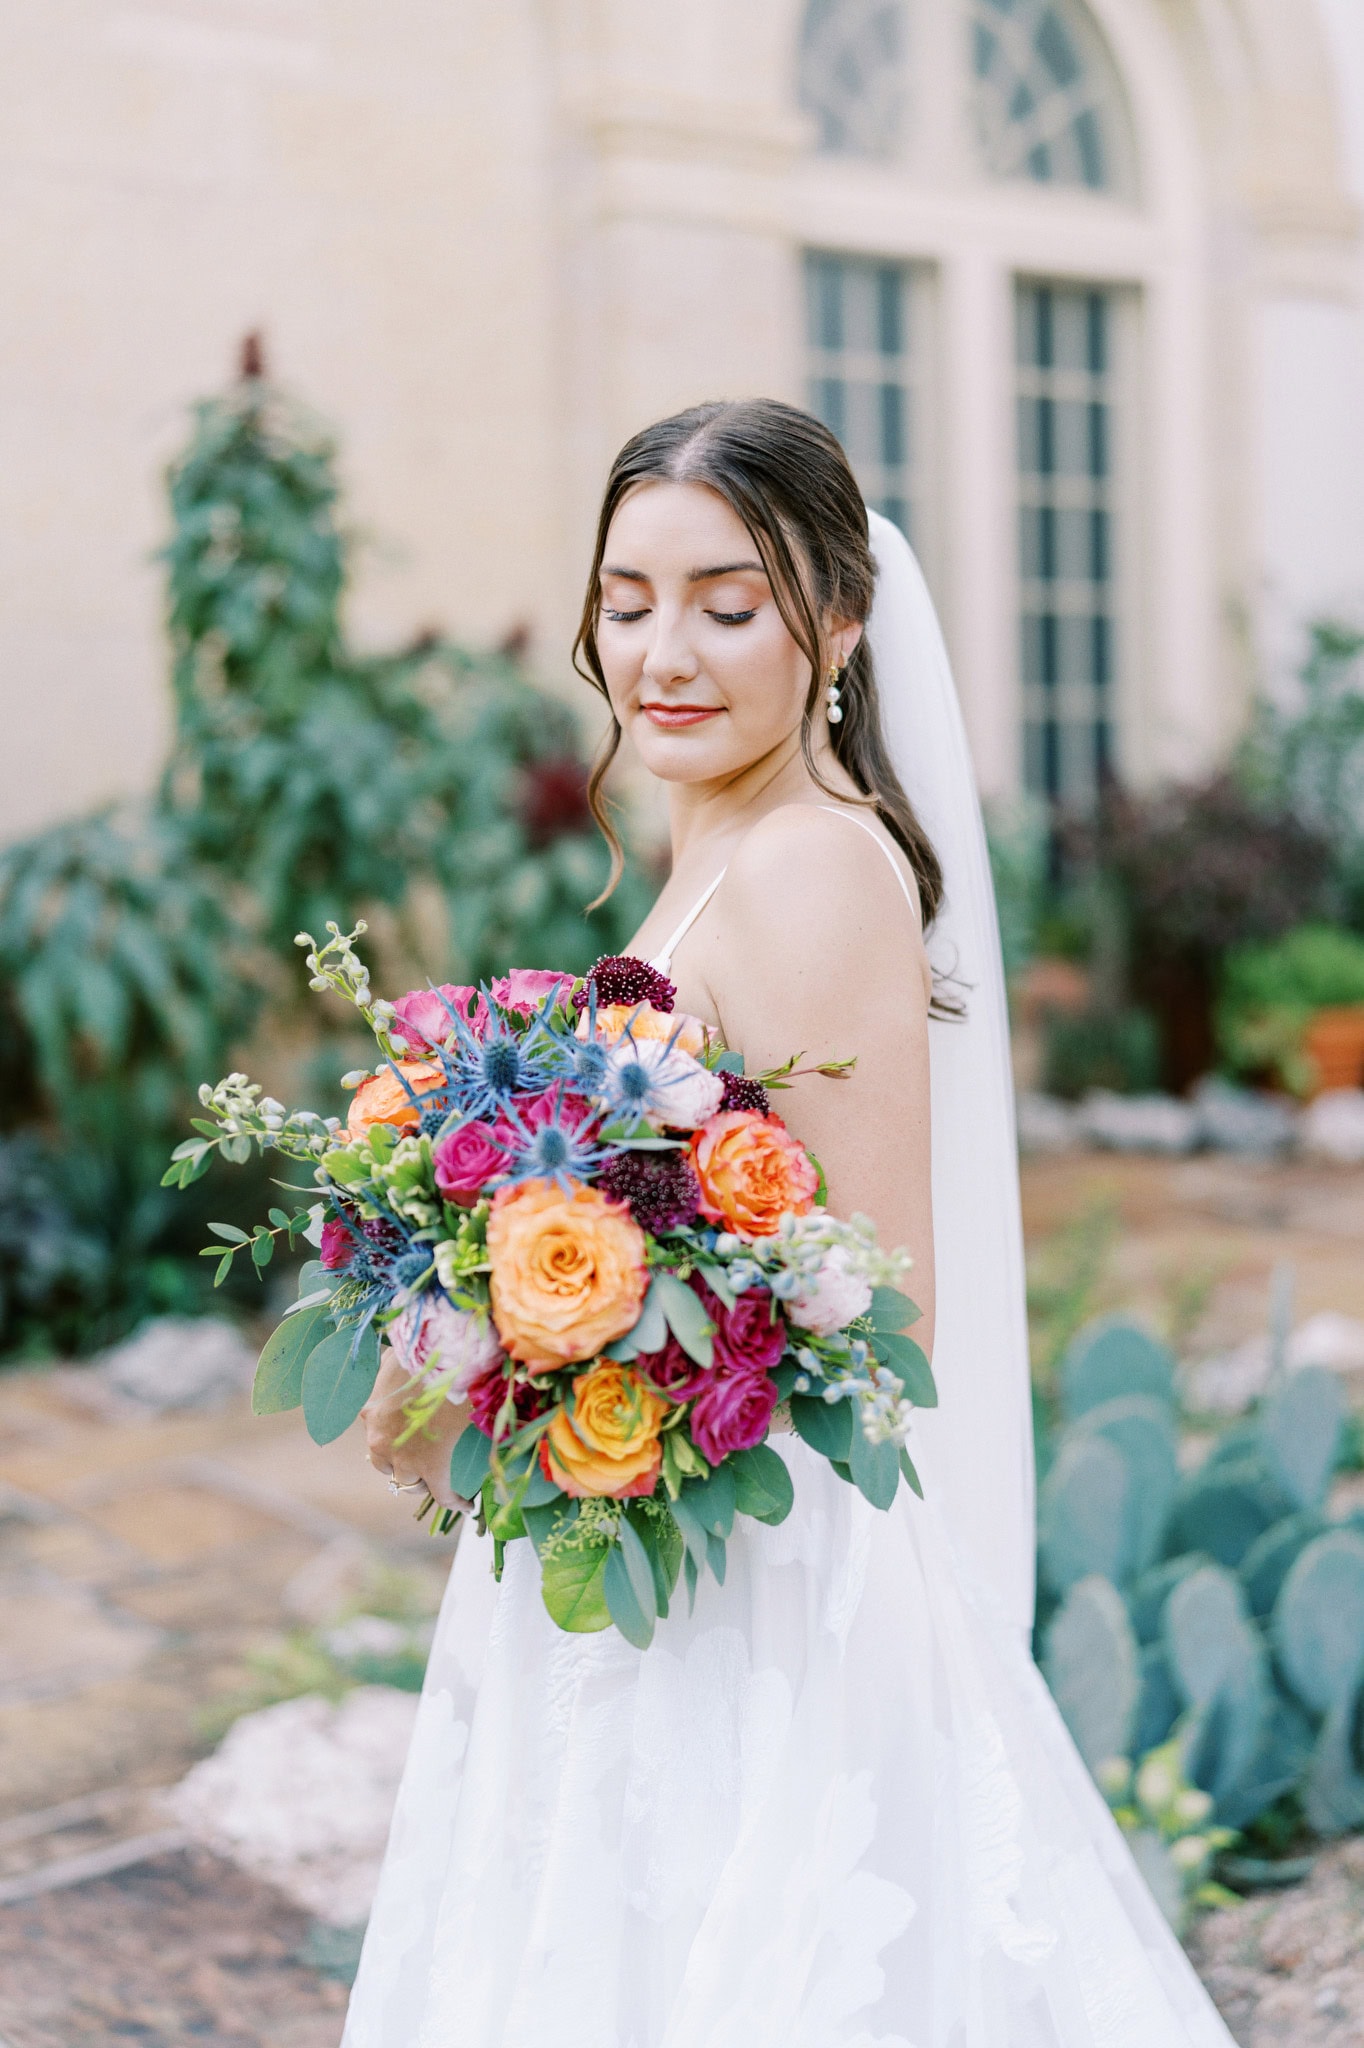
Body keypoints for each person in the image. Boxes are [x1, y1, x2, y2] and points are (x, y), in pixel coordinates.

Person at [345, 400, 1235, 2046]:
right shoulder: (724, 846)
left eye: (727, 605)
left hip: (747, 1577)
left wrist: (535, 1361)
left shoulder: (808, 866)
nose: (663, 655)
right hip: (651, 1539)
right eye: (627, 603)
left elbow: (877, 1310)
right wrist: (461, 1293)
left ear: (835, 621)